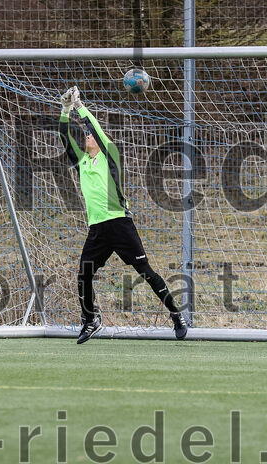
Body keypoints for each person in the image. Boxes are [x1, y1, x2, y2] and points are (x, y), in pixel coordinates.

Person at [59, 86, 188, 344]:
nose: (87, 137)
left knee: (145, 271)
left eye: (90, 136)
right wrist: (64, 110)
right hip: (97, 229)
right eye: (85, 135)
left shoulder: (110, 155)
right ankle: (90, 319)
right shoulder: (83, 164)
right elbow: (64, 137)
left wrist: (80, 106)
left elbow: (94, 128)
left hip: (119, 223)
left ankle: (176, 315)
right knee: (84, 273)